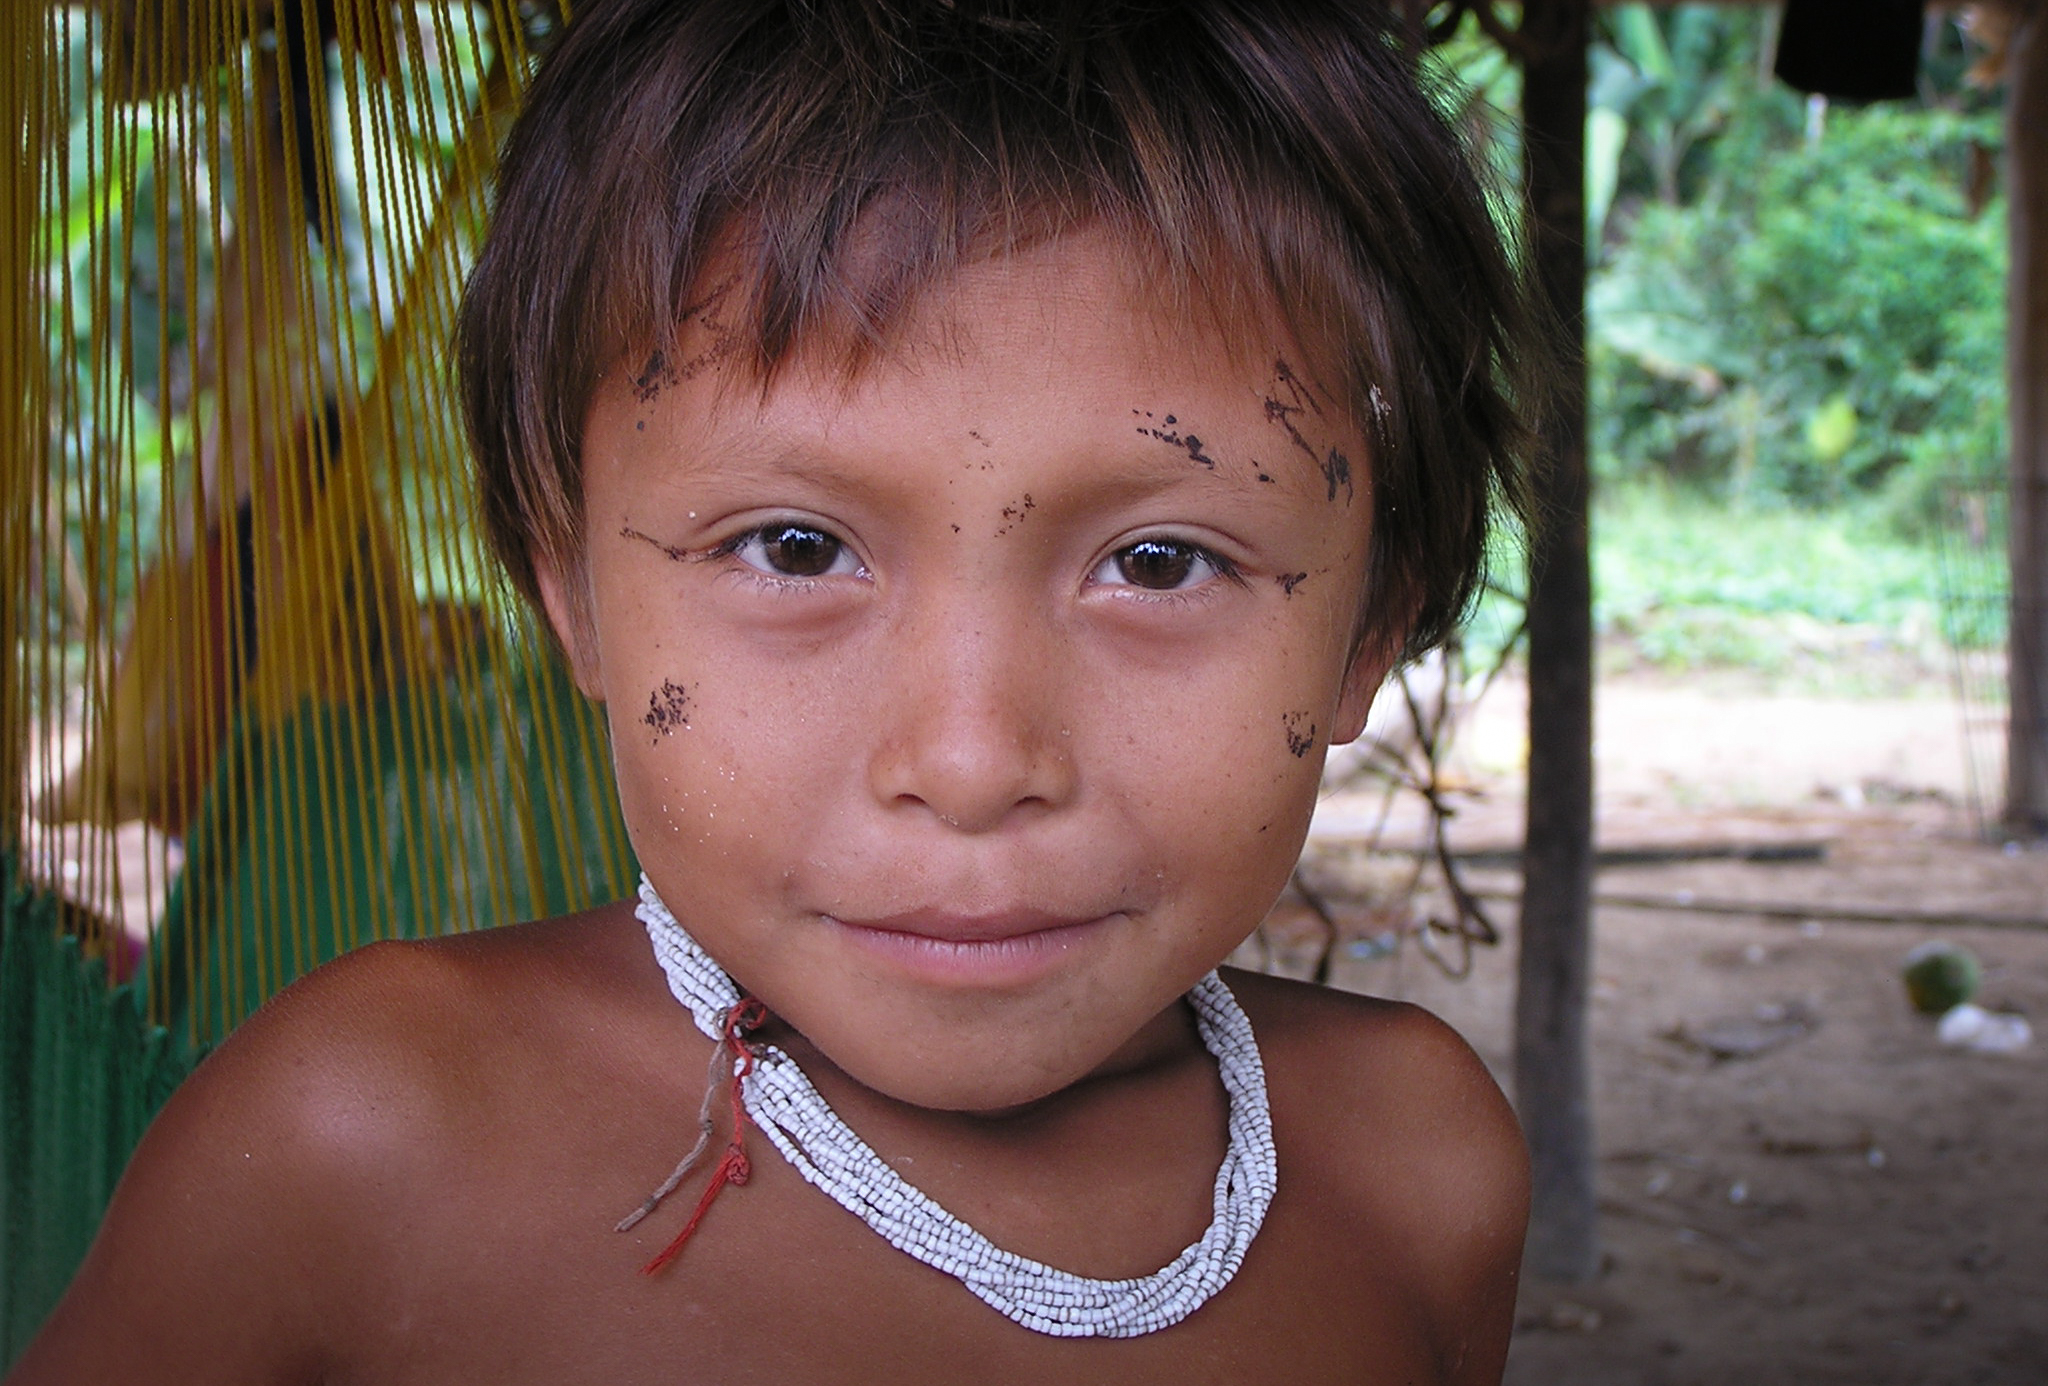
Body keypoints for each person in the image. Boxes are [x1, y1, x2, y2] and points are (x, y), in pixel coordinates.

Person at [10, 0, 1541, 1380]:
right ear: (573, 592)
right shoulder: (359, 1141)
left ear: (1368, 627)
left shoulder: (1414, 1167)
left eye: (1160, 563)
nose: (970, 760)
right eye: (795, 546)